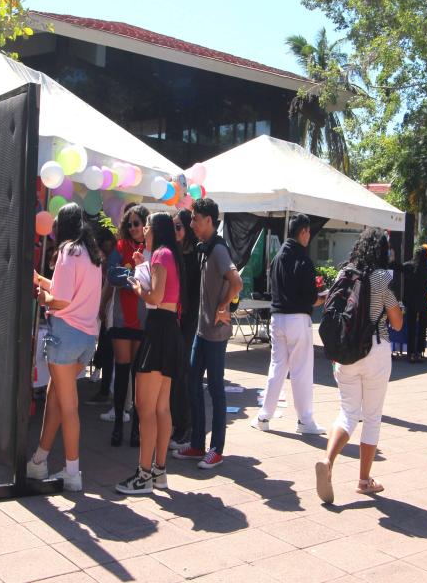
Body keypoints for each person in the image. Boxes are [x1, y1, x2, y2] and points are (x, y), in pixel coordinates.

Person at [314, 228, 404, 503]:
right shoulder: (379, 278)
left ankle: (328, 462)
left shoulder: (345, 272)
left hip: (345, 352)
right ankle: (364, 480)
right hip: (375, 350)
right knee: (372, 417)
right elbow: (397, 322)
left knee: (347, 413)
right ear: (382, 250)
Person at [27, 203, 103, 491]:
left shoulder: (67, 252)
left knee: (68, 407)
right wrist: (43, 283)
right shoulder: (91, 255)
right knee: (56, 398)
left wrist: (43, 297)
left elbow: (60, 300)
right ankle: (39, 460)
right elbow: (69, 292)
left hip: (65, 336)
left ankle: (72, 473)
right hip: (85, 338)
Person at [116, 213, 185, 494]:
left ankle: (143, 475)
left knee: (145, 408)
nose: (142, 229)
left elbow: (154, 297)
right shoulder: (171, 254)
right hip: (170, 329)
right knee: (161, 407)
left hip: (158, 330)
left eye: (145, 226)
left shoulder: (160, 255)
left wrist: (136, 286)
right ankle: (158, 471)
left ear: (154, 229)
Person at [172, 198, 243, 469]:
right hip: (202, 330)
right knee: (192, 382)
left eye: (195, 219)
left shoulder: (218, 250)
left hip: (214, 333)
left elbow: (237, 282)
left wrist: (224, 306)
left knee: (215, 388)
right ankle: (198, 445)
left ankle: (216, 449)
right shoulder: (205, 248)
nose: (192, 224)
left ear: (209, 221)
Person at [252, 214, 326, 434]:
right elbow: (312, 298)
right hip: (297, 319)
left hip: (278, 318)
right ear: (303, 232)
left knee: (277, 368)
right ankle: (305, 421)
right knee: (301, 370)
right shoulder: (303, 260)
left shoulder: (277, 258)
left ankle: (264, 417)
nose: (309, 237)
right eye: (308, 232)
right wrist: (324, 297)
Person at [108, 204, 150, 447]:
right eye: (130, 223)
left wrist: (131, 277)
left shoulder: (152, 248)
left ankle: (136, 429)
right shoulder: (120, 246)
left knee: (139, 376)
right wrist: (136, 277)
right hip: (122, 316)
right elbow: (111, 275)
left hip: (144, 318)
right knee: (123, 372)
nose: (134, 228)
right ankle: (117, 427)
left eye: (138, 223)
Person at [169, 209, 199, 447]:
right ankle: (177, 424)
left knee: (182, 372)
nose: (175, 231)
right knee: (173, 372)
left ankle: (184, 427)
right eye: (173, 226)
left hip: (190, 320)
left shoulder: (197, 254)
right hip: (174, 318)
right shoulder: (172, 253)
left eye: (178, 226)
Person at [86, 225, 118, 406]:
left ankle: (106, 390)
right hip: (111, 309)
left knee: (107, 350)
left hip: (112, 310)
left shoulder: (114, 256)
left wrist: (103, 306)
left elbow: (110, 283)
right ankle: (106, 389)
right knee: (107, 350)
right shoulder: (112, 255)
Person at [402, 247, 427, 362]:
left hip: (410, 300)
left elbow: (398, 267)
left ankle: (410, 353)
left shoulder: (408, 266)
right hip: (423, 300)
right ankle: (419, 352)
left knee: (411, 327)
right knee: (422, 328)